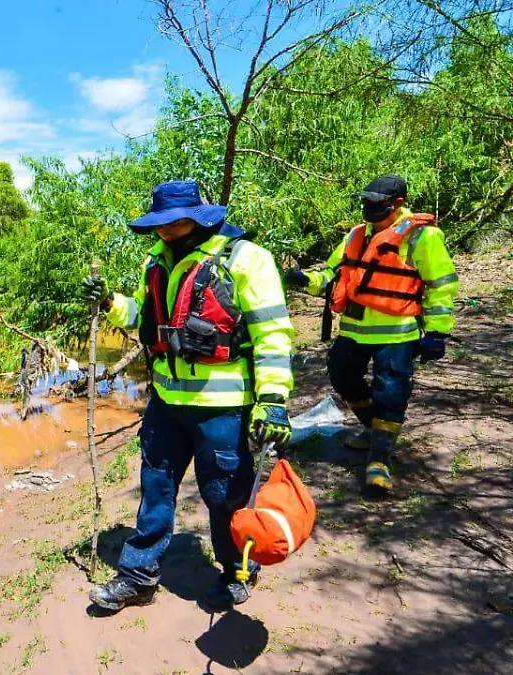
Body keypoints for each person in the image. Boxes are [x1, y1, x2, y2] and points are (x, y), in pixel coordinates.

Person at [84, 180, 294, 613]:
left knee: (223, 493)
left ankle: (238, 570)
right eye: (158, 225)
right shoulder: (156, 261)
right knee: (155, 485)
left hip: (223, 407)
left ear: (198, 218)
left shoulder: (247, 259)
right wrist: (109, 301)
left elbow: (272, 332)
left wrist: (273, 398)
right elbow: (145, 315)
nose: (164, 232)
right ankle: (137, 576)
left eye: (173, 224)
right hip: (166, 401)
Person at [285, 174, 458, 494]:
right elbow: (330, 274)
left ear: (398, 204)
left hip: (396, 333)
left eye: (376, 203)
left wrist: (437, 331)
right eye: (366, 201)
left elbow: (441, 285)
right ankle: (373, 429)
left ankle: (380, 459)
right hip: (353, 329)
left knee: (390, 392)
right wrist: (301, 279)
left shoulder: (423, 237)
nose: (369, 208)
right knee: (342, 376)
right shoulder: (356, 234)